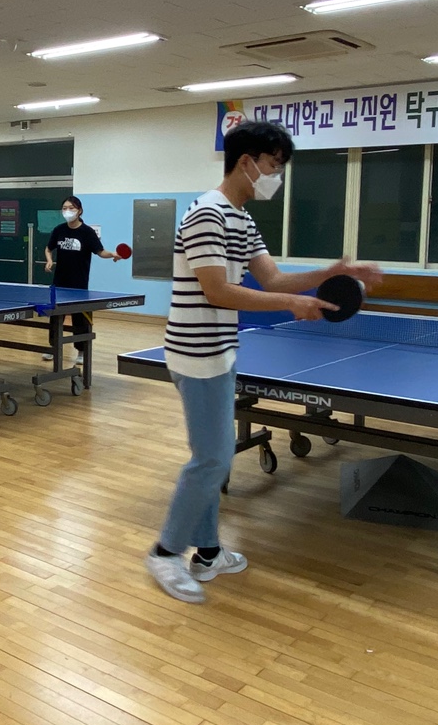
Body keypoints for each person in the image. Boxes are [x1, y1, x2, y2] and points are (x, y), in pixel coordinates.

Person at [145, 121, 382, 604]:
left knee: (213, 457)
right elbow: (217, 291)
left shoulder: (242, 219)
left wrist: (331, 273)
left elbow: (272, 280)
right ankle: (165, 553)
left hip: (221, 349)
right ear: (246, 161)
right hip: (194, 352)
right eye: (274, 165)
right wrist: (290, 306)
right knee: (212, 459)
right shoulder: (206, 214)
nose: (277, 176)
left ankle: (208, 552)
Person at [41, 196, 122, 364]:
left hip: (79, 283)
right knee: (55, 316)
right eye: (64, 208)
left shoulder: (87, 232)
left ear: (79, 210)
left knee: (80, 318)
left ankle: (81, 351)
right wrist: (49, 260)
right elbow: (48, 248)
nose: (67, 211)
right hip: (60, 282)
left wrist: (112, 254)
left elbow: (100, 251)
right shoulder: (59, 230)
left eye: (71, 208)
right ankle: (53, 347)